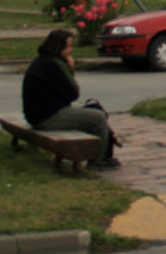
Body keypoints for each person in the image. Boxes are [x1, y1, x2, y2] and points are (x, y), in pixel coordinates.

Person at [22, 29, 119, 168]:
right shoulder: (56, 64)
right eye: (69, 46)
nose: (71, 50)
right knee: (98, 117)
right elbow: (74, 93)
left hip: (36, 115)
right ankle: (99, 160)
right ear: (59, 47)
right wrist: (70, 69)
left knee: (87, 115)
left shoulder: (42, 61)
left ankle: (91, 152)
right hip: (47, 118)